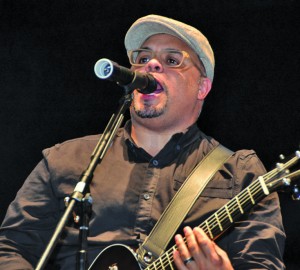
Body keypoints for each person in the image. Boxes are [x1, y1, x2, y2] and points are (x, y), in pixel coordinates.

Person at [0, 14, 285, 269]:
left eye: (172, 60)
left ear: (202, 87)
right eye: (142, 58)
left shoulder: (240, 172)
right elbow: (11, 249)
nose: (151, 65)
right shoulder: (67, 159)